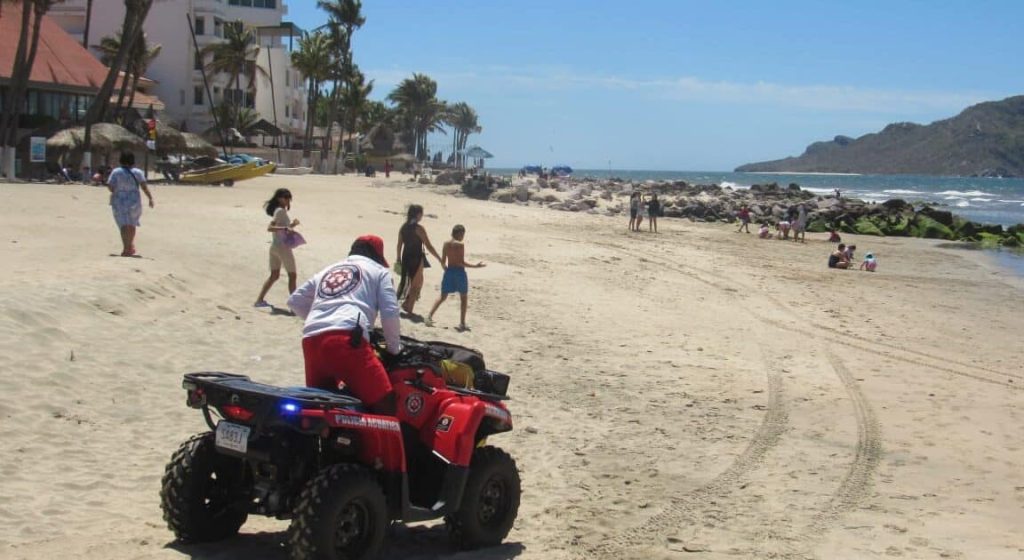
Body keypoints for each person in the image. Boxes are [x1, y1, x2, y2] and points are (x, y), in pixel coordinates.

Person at [287, 235, 401, 413]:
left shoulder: (330, 269)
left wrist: (322, 319)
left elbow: (295, 301)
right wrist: (394, 349)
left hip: (311, 341)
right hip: (347, 340)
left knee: (320, 410)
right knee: (386, 404)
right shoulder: (379, 271)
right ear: (377, 256)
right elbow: (390, 312)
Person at [427, 225, 485, 330]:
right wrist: (475, 266)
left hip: (449, 271)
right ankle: (462, 323)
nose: (463, 236)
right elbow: (461, 262)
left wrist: (447, 271)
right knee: (463, 297)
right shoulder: (460, 245)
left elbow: (443, 262)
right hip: (459, 273)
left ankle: (429, 316)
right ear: (459, 233)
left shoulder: (446, 244)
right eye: (463, 234)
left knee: (442, 296)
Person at [255, 188, 300, 308]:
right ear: (279, 198)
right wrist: (286, 229)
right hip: (283, 248)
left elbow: (281, 228)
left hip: (275, 246)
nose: (287, 200)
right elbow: (270, 228)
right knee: (292, 275)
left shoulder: (279, 211)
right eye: (285, 198)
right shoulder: (280, 211)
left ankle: (259, 300)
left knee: (274, 275)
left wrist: (291, 226)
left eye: (288, 198)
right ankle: (294, 306)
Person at [396, 204, 443, 317]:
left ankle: (407, 303)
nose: (422, 216)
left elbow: (399, 244)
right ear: (418, 214)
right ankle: (409, 309)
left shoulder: (404, 227)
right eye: (421, 213)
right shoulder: (419, 228)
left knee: (414, 281)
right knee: (416, 285)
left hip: (406, 257)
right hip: (416, 258)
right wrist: (439, 258)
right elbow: (428, 245)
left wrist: (398, 258)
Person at [106, 152, 154, 257]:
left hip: (119, 201)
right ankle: (130, 246)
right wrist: (150, 198)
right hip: (134, 200)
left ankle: (126, 248)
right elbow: (144, 187)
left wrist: (117, 189)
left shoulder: (116, 172)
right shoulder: (138, 172)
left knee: (123, 224)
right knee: (132, 224)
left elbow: (110, 186)